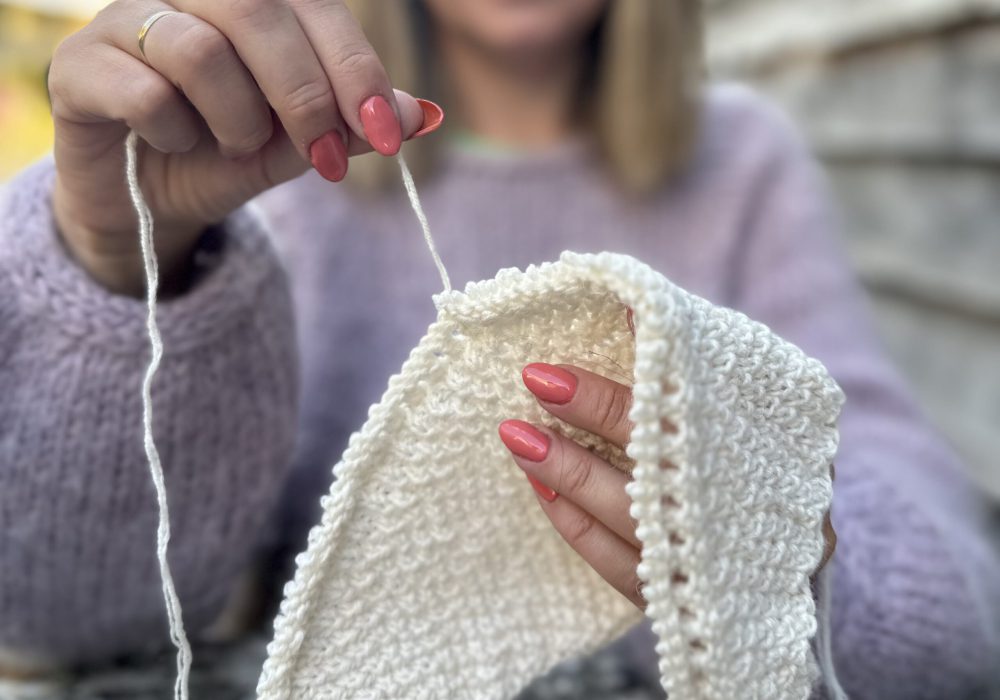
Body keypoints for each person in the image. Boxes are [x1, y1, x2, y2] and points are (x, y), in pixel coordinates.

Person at [1, 0, 997, 697]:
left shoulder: (742, 163)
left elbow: (951, 611)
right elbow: (69, 622)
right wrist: (107, 253)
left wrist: (786, 550)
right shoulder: (272, 174)